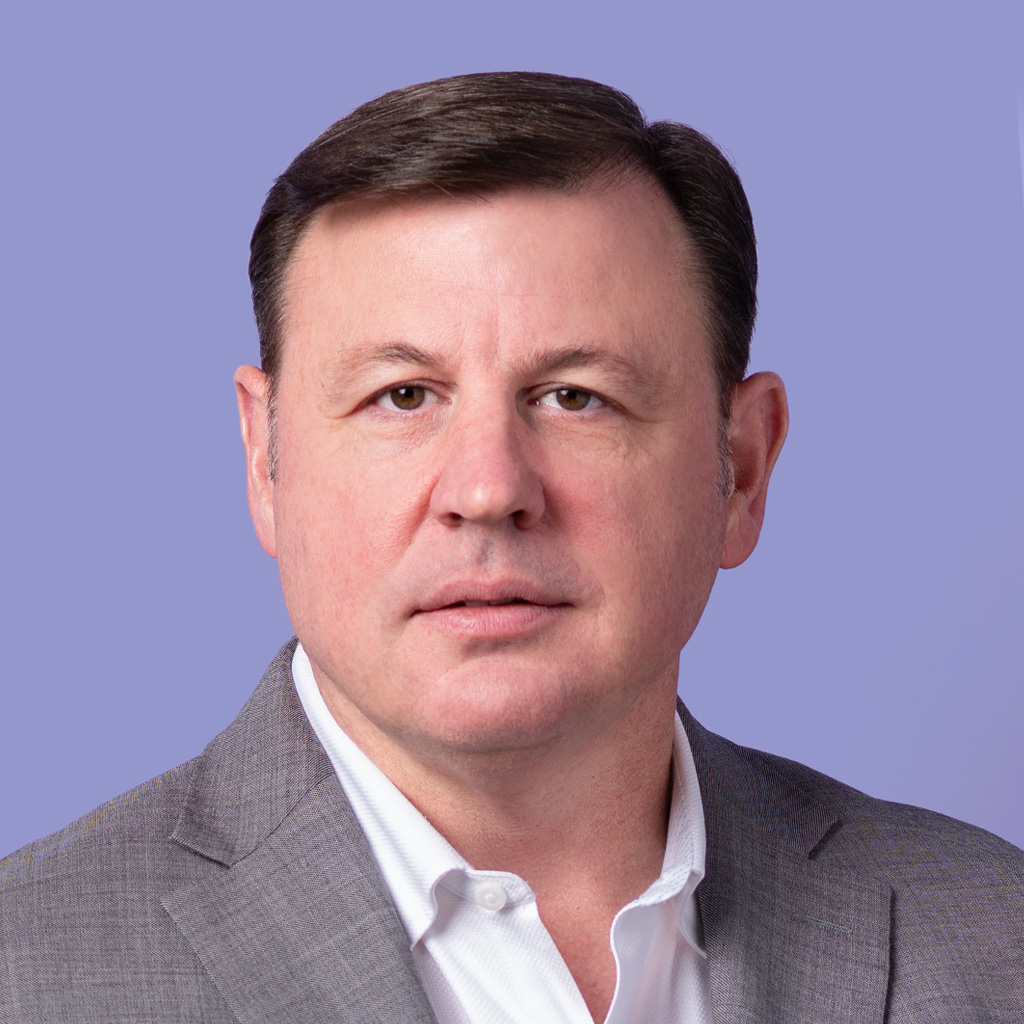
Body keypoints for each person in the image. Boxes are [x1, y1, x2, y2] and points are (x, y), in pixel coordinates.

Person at [1, 71, 1021, 1024]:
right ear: (266, 461)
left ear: (742, 469)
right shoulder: (27, 967)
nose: (488, 491)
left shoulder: (993, 938)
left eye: (576, 397)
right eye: (402, 395)